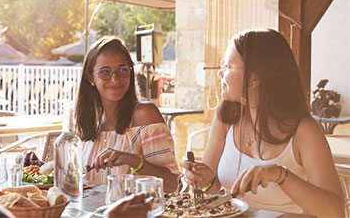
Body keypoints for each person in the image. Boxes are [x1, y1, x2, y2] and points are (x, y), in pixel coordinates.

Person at [180, 29, 345, 216]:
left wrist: (280, 175)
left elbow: (335, 211)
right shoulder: (227, 118)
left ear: (254, 78)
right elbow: (216, 197)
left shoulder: (303, 130)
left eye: (228, 66)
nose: (220, 73)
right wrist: (204, 181)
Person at [75, 36, 180, 193]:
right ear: (91, 77)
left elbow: (173, 185)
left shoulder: (145, 114)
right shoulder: (91, 123)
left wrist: (133, 160)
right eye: (105, 72)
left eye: (122, 70)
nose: (115, 78)